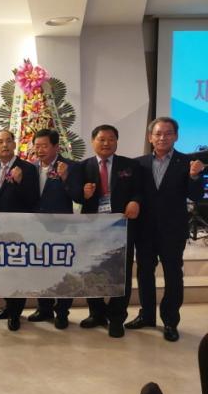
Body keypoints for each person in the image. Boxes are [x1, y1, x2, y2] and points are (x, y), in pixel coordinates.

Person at [125, 117, 205, 341]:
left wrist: (194, 176)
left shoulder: (187, 162)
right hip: (144, 229)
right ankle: (147, 315)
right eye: (158, 134)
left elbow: (196, 195)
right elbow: (134, 192)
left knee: (173, 275)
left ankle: (170, 321)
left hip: (173, 230)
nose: (163, 137)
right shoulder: (138, 164)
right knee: (144, 273)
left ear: (176, 136)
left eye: (168, 133)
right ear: (150, 137)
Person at [70, 124, 142, 338]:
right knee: (92, 270)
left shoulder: (130, 165)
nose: (106, 143)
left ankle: (117, 318)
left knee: (122, 273)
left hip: (122, 226)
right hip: (93, 228)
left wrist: (135, 201)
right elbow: (74, 194)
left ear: (116, 142)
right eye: (101, 139)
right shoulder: (82, 167)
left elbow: (140, 190)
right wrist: (83, 193)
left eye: (111, 139)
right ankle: (97, 313)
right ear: (93, 142)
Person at [0, 129, 40, 332]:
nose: (5, 145)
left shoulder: (27, 168)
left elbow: (33, 199)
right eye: (0, 142)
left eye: (8, 141)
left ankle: (16, 313)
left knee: (17, 271)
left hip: (20, 229)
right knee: (3, 270)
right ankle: (8, 306)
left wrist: (19, 183)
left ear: (14, 144)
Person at [28, 129, 75, 329]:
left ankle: (62, 312)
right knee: (40, 269)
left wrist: (66, 178)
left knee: (62, 271)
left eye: (44, 146)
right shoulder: (30, 168)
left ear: (56, 147)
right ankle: (44, 308)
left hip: (61, 228)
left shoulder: (69, 166)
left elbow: (78, 196)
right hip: (36, 227)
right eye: (37, 146)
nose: (40, 150)